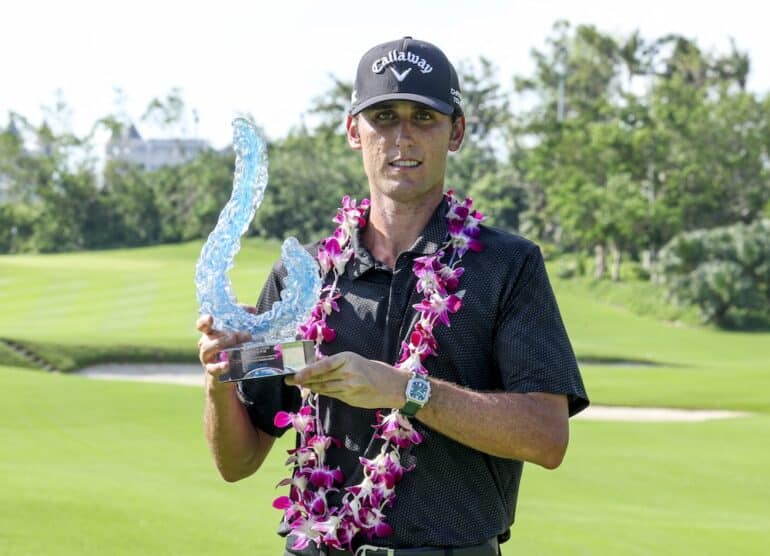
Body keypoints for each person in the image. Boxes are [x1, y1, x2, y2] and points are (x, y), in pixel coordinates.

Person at [198, 37, 589, 556]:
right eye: (383, 116)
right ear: (353, 131)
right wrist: (220, 378)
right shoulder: (305, 276)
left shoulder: (507, 266)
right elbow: (237, 462)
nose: (402, 137)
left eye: (423, 118)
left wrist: (407, 390)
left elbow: (546, 437)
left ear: (457, 131)